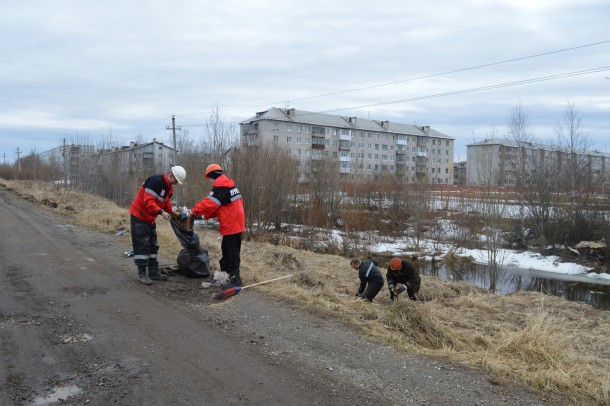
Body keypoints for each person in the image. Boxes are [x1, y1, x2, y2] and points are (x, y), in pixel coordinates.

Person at [191, 164, 245, 289]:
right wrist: (203, 216)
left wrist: (193, 212)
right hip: (236, 222)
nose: (210, 181)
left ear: (213, 176)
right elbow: (218, 208)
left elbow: (208, 203)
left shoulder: (220, 187)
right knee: (227, 250)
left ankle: (235, 279)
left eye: (210, 178)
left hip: (231, 223)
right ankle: (226, 276)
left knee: (232, 252)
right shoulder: (228, 185)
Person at [129, 166, 186, 285]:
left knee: (153, 245)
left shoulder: (168, 188)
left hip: (150, 218)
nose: (175, 184)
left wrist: (174, 214)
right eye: (175, 181)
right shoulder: (155, 182)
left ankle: (153, 272)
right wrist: (161, 212)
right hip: (139, 216)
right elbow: (148, 201)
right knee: (142, 245)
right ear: (171, 176)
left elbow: (165, 203)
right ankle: (142, 274)